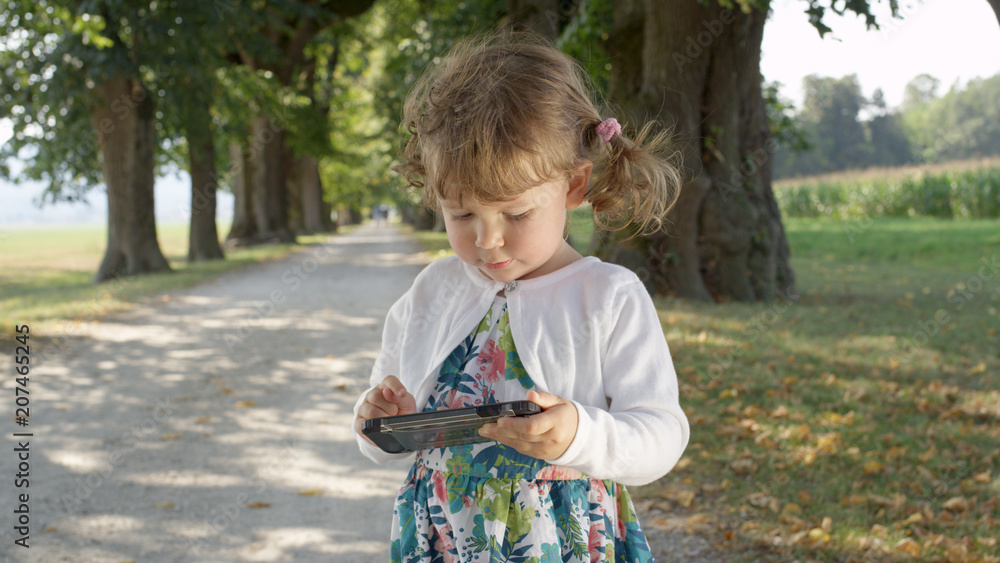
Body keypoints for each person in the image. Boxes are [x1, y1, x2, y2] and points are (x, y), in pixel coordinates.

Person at [353, 32, 689, 562]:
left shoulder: (606, 297)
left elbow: (661, 435)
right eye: (461, 214)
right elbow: (381, 420)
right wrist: (377, 418)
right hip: (444, 533)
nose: (487, 240)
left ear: (574, 187)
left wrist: (581, 434)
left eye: (515, 214)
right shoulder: (433, 291)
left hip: (557, 537)